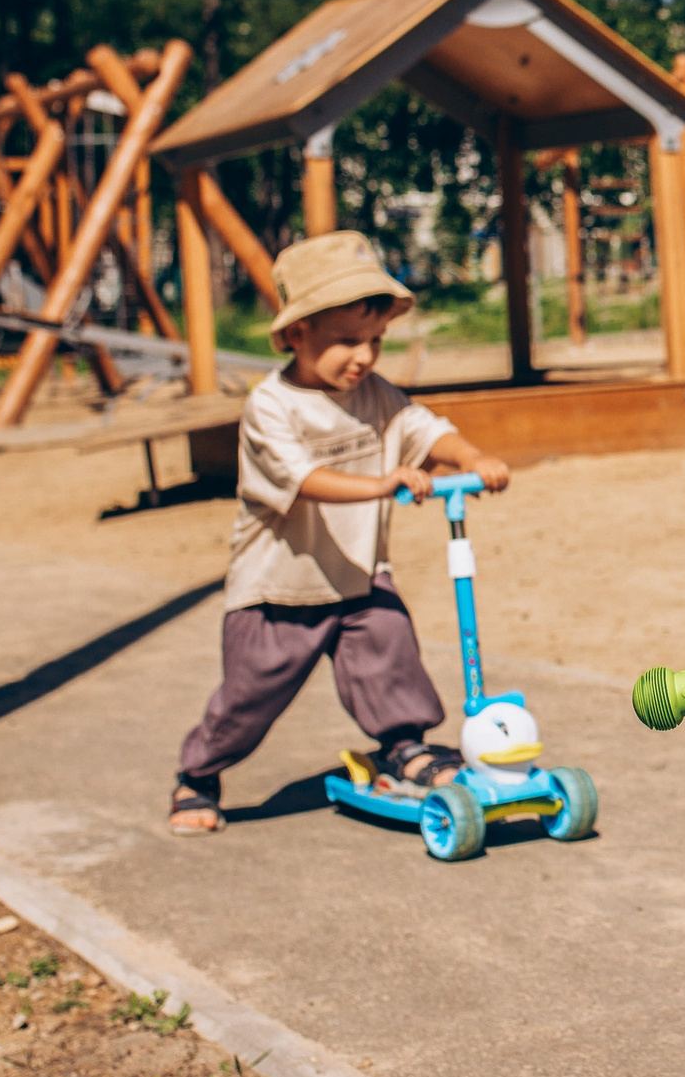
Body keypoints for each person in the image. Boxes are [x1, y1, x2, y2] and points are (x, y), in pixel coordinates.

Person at [169, 231, 511, 836]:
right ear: (297, 334)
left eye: (374, 341)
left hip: (358, 574)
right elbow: (303, 480)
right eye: (348, 341)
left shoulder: (375, 395)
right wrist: (383, 484)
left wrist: (470, 457)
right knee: (249, 699)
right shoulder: (271, 407)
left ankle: (405, 745)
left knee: (389, 651)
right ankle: (199, 773)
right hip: (281, 588)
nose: (364, 356)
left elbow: (424, 429)